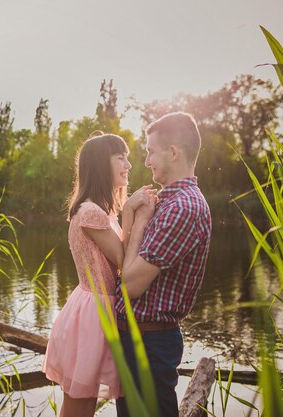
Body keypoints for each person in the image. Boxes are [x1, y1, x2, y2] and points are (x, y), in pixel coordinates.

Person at [42, 133, 156, 417]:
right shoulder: (91, 213)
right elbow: (123, 261)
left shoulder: (96, 211)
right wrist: (131, 211)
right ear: (99, 165)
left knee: (80, 405)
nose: (128, 165)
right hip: (95, 314)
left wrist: (126, 211)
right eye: (121, 158)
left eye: (127, 158)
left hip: (91, 308)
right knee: (80, 407)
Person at [115, 112, 212, 417]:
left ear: (173, 152)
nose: (146, 161)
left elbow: (129, 285)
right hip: (138, 340)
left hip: (150, 345)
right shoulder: (167, 203)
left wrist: (140, 219)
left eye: (151, 151)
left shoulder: (183, 208)